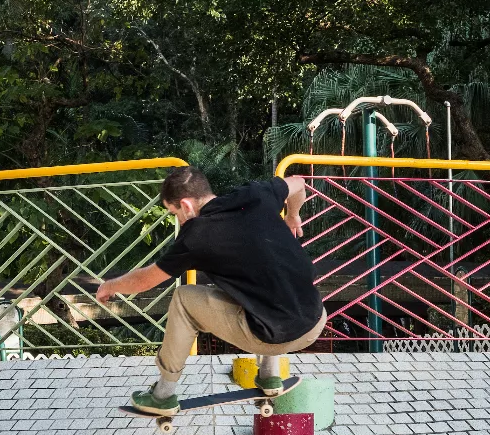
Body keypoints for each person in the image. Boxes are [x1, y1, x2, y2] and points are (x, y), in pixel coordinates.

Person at [96, 166, 326, 415]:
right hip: (315, 319)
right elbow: (299, 183)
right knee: (253, 282)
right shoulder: (256, 193)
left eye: (175, 213)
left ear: (186, 205)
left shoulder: (196, 236)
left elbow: (146, 281)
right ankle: (270, 376)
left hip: (273, 337)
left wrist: (111, 285)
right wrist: (293, 215)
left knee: (184, 299)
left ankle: (163, 395)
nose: (179, 221)